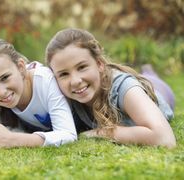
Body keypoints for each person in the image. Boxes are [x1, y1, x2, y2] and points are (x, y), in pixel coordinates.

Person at [45, 28, 176, 148]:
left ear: (99, 64)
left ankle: (148, 71)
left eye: (82, 67)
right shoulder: (61, 96)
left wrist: (101, 132)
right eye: (63, 74)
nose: (75, 81)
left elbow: (164, 139)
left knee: (149, 79)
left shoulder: (124, 88)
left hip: (158, 89)